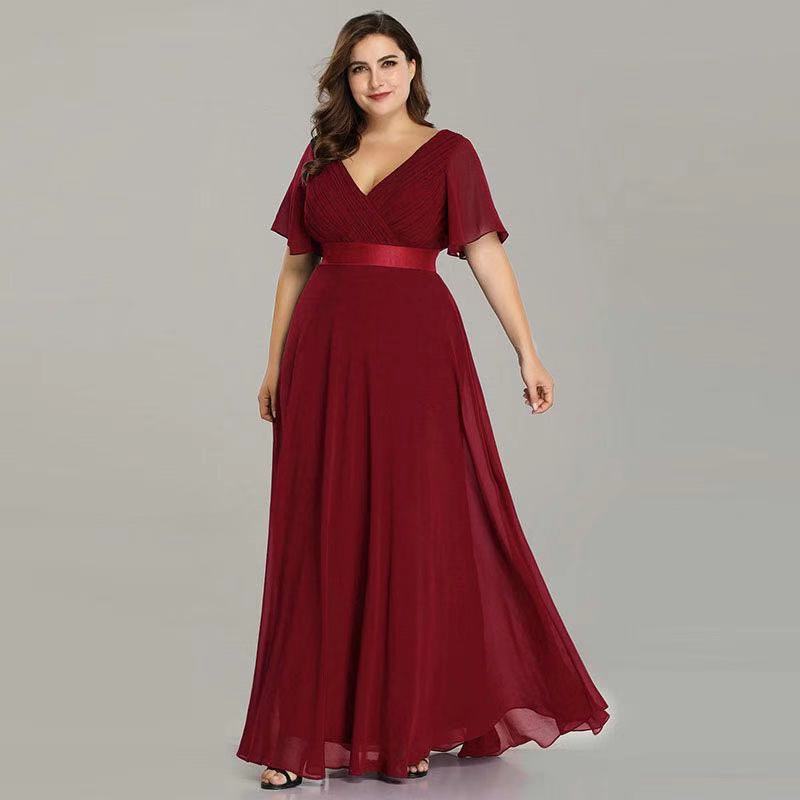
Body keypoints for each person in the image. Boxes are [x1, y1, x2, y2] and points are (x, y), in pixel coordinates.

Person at [236, 12, 610, 790]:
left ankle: (407, 727)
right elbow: (296, 264)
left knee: (415, 530)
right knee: (321, 530)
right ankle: (295, 737)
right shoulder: (321, 154)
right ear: (344, 81)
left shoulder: (451, 154)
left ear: (412, 69)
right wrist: (272, 366)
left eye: (389, 63)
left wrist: (527, 351)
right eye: (360, 68)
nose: (376, 79)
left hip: (417, 356)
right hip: (324, 356)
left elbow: (484, 254)